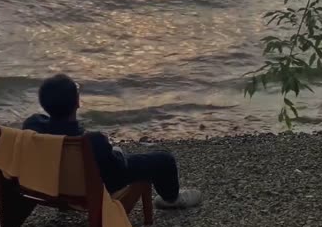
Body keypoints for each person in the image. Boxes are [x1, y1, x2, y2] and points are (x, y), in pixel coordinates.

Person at [23, 74, 202, 209]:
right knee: (165, 159)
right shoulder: (92, 141)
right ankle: (172, 199)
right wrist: (116, 152)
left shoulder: (32, 125)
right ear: (77, 102)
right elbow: (118, 168)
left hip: (53, 184)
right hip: (94, 185)